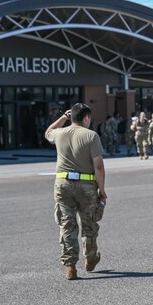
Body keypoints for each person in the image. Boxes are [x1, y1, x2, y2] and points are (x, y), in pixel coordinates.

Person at [45, 103, 106, 280]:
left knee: (67, 223)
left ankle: (70, 265)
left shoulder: (60, 133)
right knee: (89, 223)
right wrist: (102, 190)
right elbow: (99, 166)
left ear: (72, 117)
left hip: (63, 184)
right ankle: (91, 257)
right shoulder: (91, 136)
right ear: (86, 118)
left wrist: (64, 117)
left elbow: (48, 131)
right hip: (86, 186)